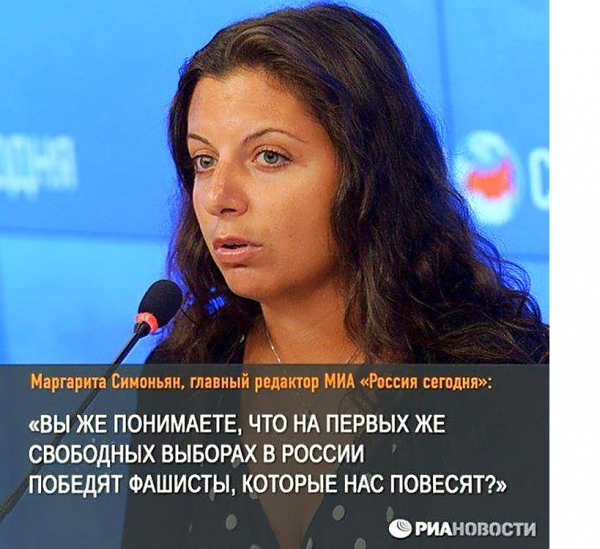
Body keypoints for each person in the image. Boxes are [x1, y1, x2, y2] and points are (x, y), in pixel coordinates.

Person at [122, 4, 549, 548]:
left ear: (368, 171)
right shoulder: (184, 376)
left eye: (269, 156)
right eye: (204, 161)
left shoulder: (506, 378)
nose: (218, 197)